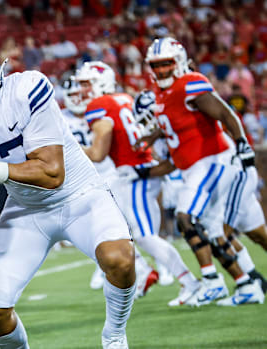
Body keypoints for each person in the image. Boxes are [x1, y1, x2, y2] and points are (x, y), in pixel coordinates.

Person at [0, 36, 136, 348]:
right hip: (26, 208)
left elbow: (52, 173)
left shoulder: (25, 89)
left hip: (79, 195)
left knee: (119, 259)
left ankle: (114, 334)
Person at [143, 37, 264, 306]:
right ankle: (246, 285)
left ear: (179, 62)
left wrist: (242, 142)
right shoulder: (161, 92)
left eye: (166, 64)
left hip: (212, 162)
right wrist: (152, 139)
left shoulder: (189, 83)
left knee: (187, 219)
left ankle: (213, 281)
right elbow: (177, 130)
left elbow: (224, 112)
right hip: (195, 167)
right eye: (156, 65)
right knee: (216, 229)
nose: (161, 70)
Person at [75, 62, 201, 305]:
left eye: (85, 83)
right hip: (141, 170)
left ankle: (189, 282)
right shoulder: (123, 97)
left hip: (133, 174)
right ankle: (145, 274)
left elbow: (99, 153)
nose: (82, 89)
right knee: (127, 232)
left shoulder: (99, 105)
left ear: (101, 83)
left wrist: (66, 150)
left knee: (144, 236)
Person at [61, 77, 155, 293]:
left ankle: (147, 267)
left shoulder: (98, 110)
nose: (77, 98)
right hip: (82, 179)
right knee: (96, 227)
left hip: (109, 175)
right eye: (73, 95)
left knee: (123, 226)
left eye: (79, 93)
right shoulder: (60, 117)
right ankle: (135, 266)